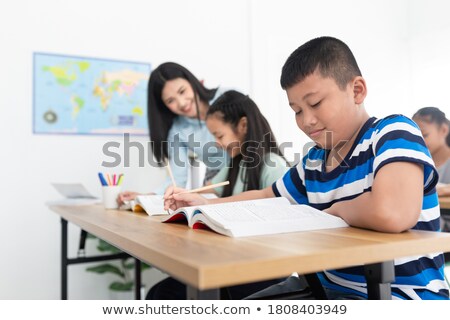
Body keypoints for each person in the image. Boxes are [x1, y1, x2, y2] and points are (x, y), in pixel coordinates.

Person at [165, 37, 449, 300]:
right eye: (297, 110)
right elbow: (268, 197)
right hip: (327, 289)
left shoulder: (393, 132)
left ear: (357, 90)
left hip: (404, 295)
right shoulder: (315, 159)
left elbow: (392, 213)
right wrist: (207, 205)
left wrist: (336, 211)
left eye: (315, 103)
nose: (306, 120)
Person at [147, 90, 290, 299]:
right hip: (233, 259)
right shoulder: (235, 164)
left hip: (264, 267)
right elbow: (205, 189)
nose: (217, 143)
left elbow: (279, 206)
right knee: (159, 292)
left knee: (167, 295)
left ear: (243, 126)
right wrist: (184, 194)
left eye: (219, 135)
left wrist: (206, 202)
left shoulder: (272, 164)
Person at [118, 62, 229, 203]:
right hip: (214, 185)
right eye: (171, 100)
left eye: (182, 91)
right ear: (164, 106)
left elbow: (256, 138)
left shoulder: (229, 98)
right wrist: (147, 197)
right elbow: (177, 178)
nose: (182, 103)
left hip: (247, 171)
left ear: (192, 82)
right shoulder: (178, 130)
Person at [412, 107, 450, 197]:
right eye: (415, 136)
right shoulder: (416, 163)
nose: (419, 141)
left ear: (444, 130)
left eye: (424, 135)